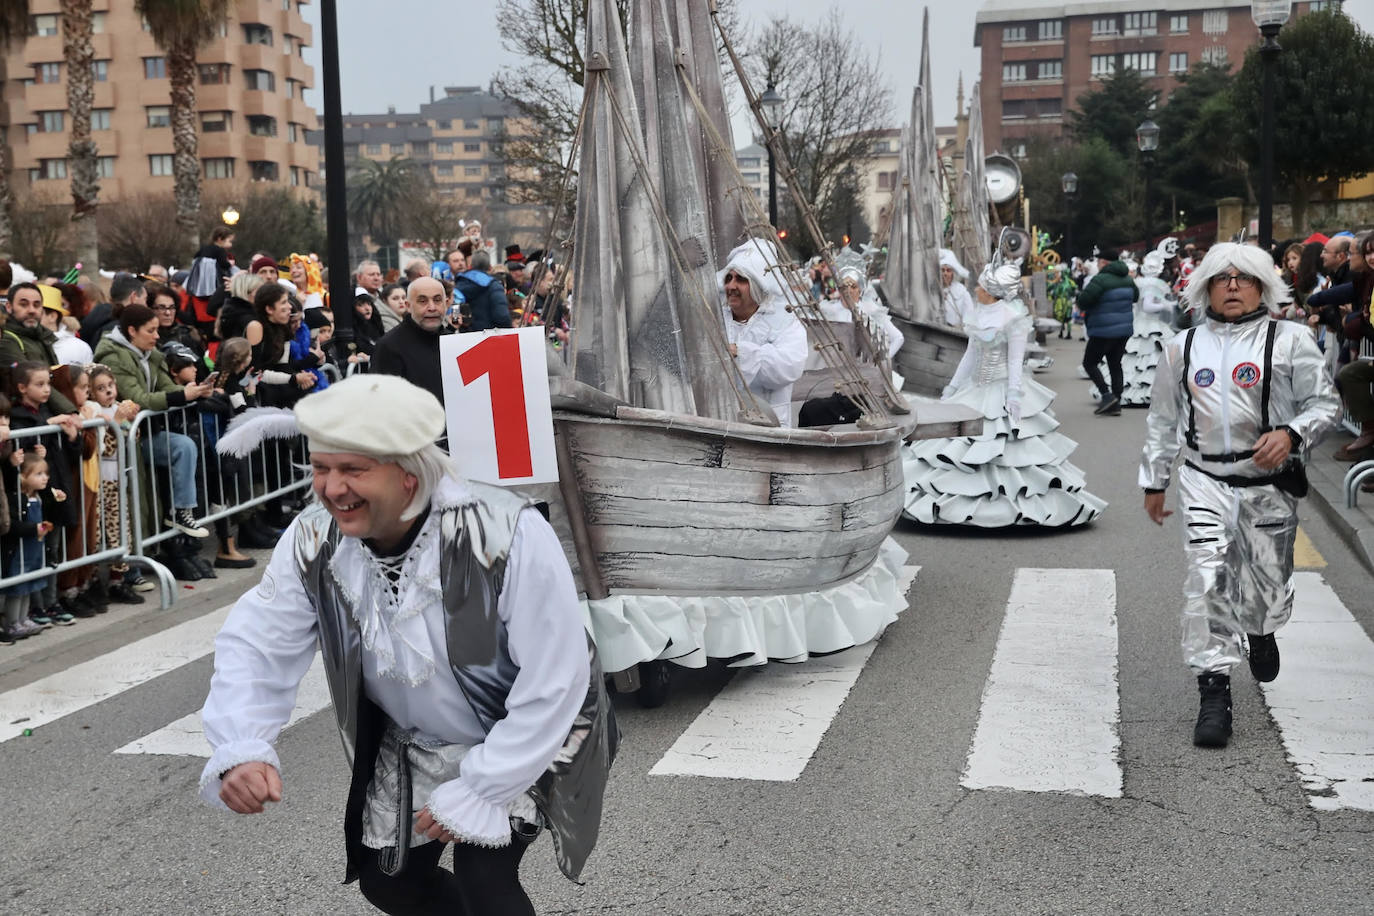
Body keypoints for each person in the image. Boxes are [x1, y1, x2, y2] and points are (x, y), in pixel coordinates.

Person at [199, 374, 616, 914]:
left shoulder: (505, 532)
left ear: (409, 478)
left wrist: (483, 787)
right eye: (321, 468)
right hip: (417, 740)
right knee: (389, 881)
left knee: (484, 877)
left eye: (353, 470)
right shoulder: (310, 540)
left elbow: (555, 678)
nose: (331, 488)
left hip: (530, 729)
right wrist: (242, 744)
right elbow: (259, 642)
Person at [1140, 243, 1341, 749]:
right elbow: (1163, 420)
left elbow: (1325, 404)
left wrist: (1293, 435)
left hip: (1269, 487)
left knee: (1267, 584)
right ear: (1205, 286)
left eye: (1243, 277)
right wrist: (1155, 480)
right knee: (1208, 579)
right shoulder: (1180, 348)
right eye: (1222, 277)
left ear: (1262, 287)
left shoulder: (1292, 340)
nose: (1232, 285)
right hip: (1204, 480)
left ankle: (1261, 626)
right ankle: (1214, 691)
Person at [903, 247, 1106, 527]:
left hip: (1000, 388)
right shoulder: (976, 314)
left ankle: (1008, 508)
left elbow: (1014, 362)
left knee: (1006, 451)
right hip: (974, 390)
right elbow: (970, 356)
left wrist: (1014, 394)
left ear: (991, 290)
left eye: (980, 285)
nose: (975, 289)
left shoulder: (1013, 318)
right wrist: (952, 387)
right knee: (961, 447)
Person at [92, 304, 213, 538]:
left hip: (148, 432)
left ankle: (181, 511)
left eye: (157, 330)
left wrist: (193, 390)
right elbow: (137, 398)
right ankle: (133, 564)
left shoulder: (151, 354)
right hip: (124, 439)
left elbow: (168, 387)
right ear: (132, 331)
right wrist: (181, 395)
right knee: (133, 508)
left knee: (184, 446)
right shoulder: (113, 357)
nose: (157, 336)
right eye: (151, 330)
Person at [717, 242, 808, 426]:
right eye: (728, 278)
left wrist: (741, 353)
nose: (731, 286)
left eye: (741, 279)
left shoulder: (785, 321)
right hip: (721, 423)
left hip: (769, 428)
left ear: (759, 285)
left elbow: (790, 365)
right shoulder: (717, 318)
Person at [371, 278, 454, 406]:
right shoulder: (389, 346)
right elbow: (382, 403)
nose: (432, 307)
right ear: (408, 306)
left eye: (437, 300)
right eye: (422, 301)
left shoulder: (452, 343)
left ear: (446, 303)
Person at [1077, 246, 1137, 416]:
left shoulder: (1100, 280)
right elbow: (1136, 296)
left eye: (1098, 261)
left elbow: (1084, 301)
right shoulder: (1127, 279)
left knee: (1089, 363)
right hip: (1124, 329)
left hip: (1103, 330)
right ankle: (1116, 400)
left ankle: (1106, 394)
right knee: (1115, 364)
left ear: (1103, 262)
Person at [1, 283, 78, 414]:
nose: (31, 310)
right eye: (24, 304)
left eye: (36, 305)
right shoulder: (6, 339)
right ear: (9, 307)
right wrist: (70, 412)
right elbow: (30, 379)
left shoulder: (42, 337)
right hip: (24, 418)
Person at [1119, 248, 1179, 407]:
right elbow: (1148, 306)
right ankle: (1147, 393)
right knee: (1148, 357)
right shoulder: (1154, 284)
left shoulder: (1138, 282)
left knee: (1134, 359)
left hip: (1137, 324)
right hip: (1150, 325)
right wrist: (1167, 305)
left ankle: (1130, 391)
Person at [80, 272, 146, 346]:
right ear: (134, 297)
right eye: (145, 299)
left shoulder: (94, 320)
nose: (146, 305)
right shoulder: (119, 332)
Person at [455, 250, 513, 332]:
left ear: (471, 265)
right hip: (488, 337)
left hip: (463, 336)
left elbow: (454, 315)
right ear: (490, 267)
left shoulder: (458, 285)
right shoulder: (494, 286)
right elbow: (502, 317)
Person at [939, 248, 974, 328]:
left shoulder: (962, 292)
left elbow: (970, 317)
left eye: (948, 270)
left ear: (952, 273)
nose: (945, 273)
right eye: (942, 270)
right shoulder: (933, 291)